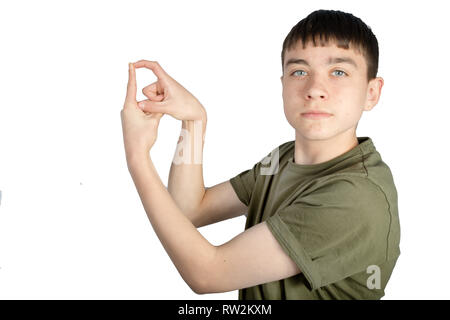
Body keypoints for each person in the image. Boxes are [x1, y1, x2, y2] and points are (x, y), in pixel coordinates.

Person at [120, 9, 401, 300]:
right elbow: (189, 209)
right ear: (283, 85)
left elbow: (207, 274)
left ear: (371, 93)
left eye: (338, 72)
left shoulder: (355, 197)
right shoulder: (283, 159)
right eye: (300, 71)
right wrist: (193, 122)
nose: (315, 89)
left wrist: (138, 158)